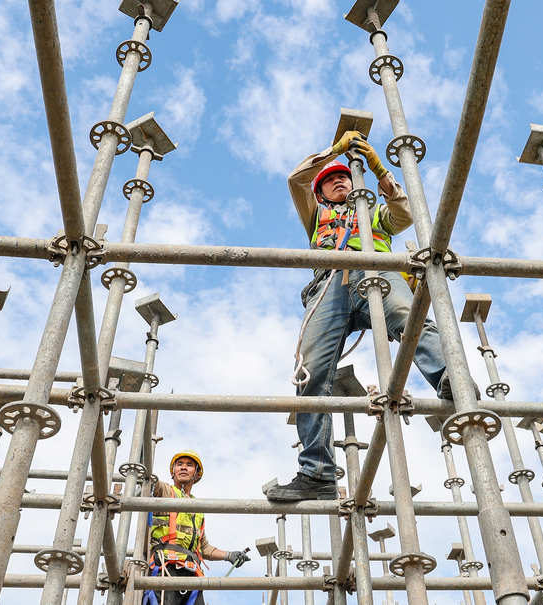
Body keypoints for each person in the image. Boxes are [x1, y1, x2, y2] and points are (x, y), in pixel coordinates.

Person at [266, 131, 452, 502]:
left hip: (377, 271)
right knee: (310, 370)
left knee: (408, 317)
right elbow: (296, 180)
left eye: (344, 176)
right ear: (320, 193)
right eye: (329, 180)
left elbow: (404, 214)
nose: (338, 180)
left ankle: (450, 378)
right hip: (330, 285)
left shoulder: (373, 211)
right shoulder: (316, 215)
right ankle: (317, 473)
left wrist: (381, 172)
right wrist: (334, 151)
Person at [143, 450, 250, 605]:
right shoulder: (166, 492)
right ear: (173, 472)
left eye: (189, 465)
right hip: (166, 569)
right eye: (179, 464)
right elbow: (151, 483)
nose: (183, 467)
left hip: (192, 575)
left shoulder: (198, 508)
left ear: (197, 474)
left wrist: (229, 555)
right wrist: (145, 462)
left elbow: (203, 547)